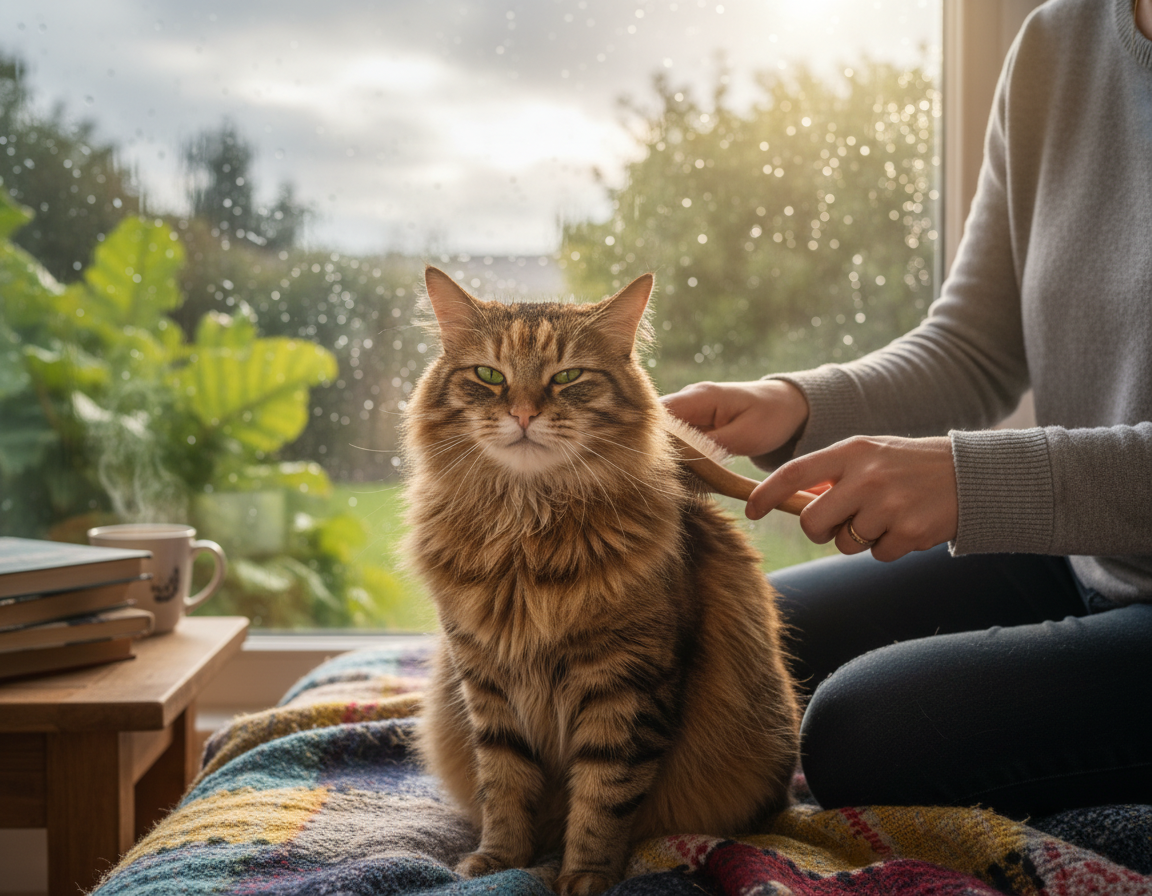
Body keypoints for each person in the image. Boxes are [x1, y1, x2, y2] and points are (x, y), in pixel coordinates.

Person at [664, 0, 1152, 819]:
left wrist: (972, 483)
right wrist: (791, 404)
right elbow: (976, 346)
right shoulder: (1055, 43)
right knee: (711, 640)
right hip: (1084, 552)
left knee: (869, 731)